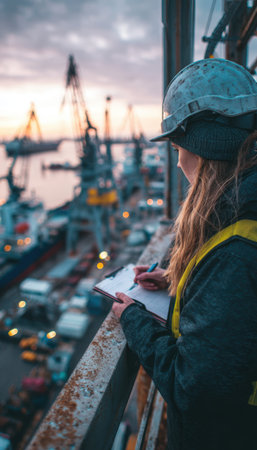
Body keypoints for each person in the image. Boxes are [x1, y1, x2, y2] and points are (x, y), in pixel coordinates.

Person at [112, 58, 257, 450]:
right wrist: (180, 278)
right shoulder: (243, 214)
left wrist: (134, 320)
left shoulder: (236, 250)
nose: (177, 162)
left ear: (206, 146)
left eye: (178, 147)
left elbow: (192, 387)